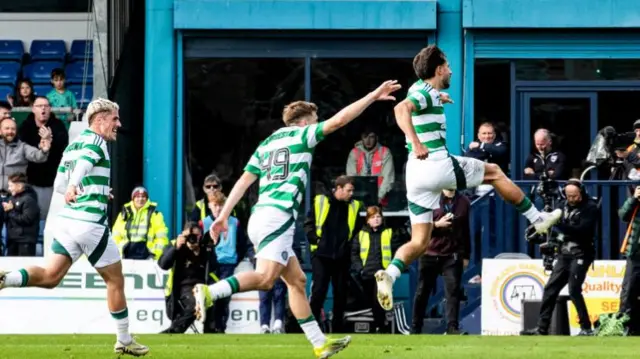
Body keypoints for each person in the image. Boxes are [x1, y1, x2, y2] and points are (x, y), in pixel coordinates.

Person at [194, 80, 401, 359]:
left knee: (297, 280)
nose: (318, 124)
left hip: (261, 215)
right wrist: (373, 96)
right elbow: (340, 120)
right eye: (315, 120)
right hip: (277, 217)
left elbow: (244, 181)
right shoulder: (302, 136)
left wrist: (224, 216)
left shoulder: (267, 143)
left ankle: (319, 343)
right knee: (267, 279)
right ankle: (209, 292)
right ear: (304, 122)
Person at [373, 45, 563, 312]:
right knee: (495, 172)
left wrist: (439, 97)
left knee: (420, 242)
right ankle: (538, 219)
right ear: (438, 69)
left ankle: (389, 275)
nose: (451, 69)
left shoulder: (422, 89)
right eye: (448, 66)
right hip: (434, 163)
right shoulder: (423, 94)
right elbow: (401, 110)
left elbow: (419, 97)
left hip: (414, 174)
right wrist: (416, 141)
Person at [0, 98, 148, 356]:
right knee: (115, 280)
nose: (118, 124)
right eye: (115, 118)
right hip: (89, 223)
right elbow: (82, 168)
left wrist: (94, 190)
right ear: (100, 119)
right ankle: (124, 339)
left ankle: (6, 279)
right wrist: (75, 185)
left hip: (67, 222)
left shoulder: (72, 146)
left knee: (51, 276)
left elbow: (59, 185)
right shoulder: (96, 141)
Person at [521, 179, 597, 336]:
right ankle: (542, 328)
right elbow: (554, 229)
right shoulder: (561, 206)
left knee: (574, 289)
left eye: (575, 196)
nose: (572, 199)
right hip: (564, 254)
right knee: (550, 289)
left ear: (581, 193)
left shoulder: (590, 207)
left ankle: (586, 327)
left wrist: (559, 227)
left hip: (581, 252)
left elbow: (583, 230)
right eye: (569, 196)